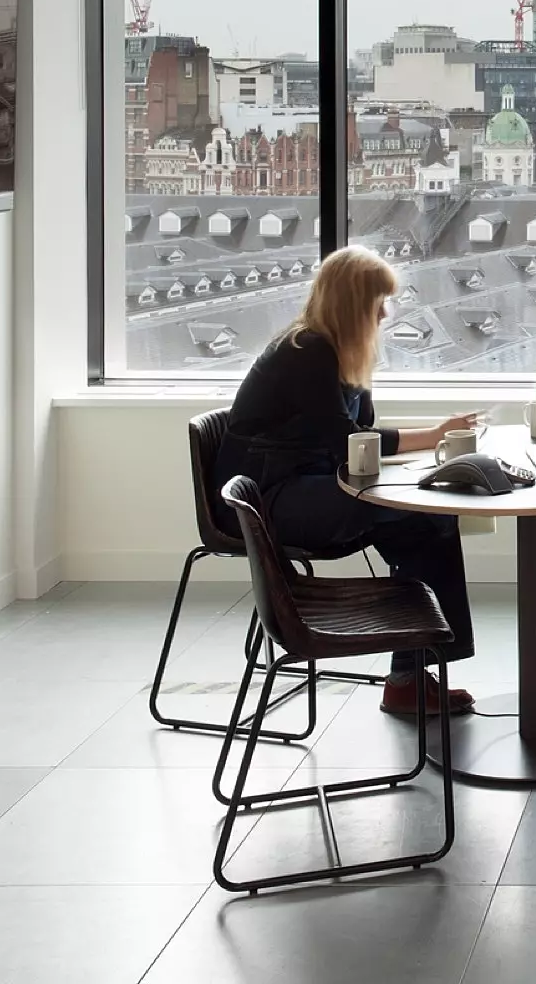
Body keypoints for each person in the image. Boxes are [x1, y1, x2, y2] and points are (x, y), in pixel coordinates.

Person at [213, 245, 478, 717]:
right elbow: (349, 445)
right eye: (379, 301)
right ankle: (411, 674)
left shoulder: (342, 353)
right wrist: (432, 441)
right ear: (354, 303)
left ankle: (410, 676)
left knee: (426, 524)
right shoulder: (306, 351)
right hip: (273, 500)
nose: (385, 312)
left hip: (307, 484)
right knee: (426, 517)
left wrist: (433, 439)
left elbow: (359, 442)